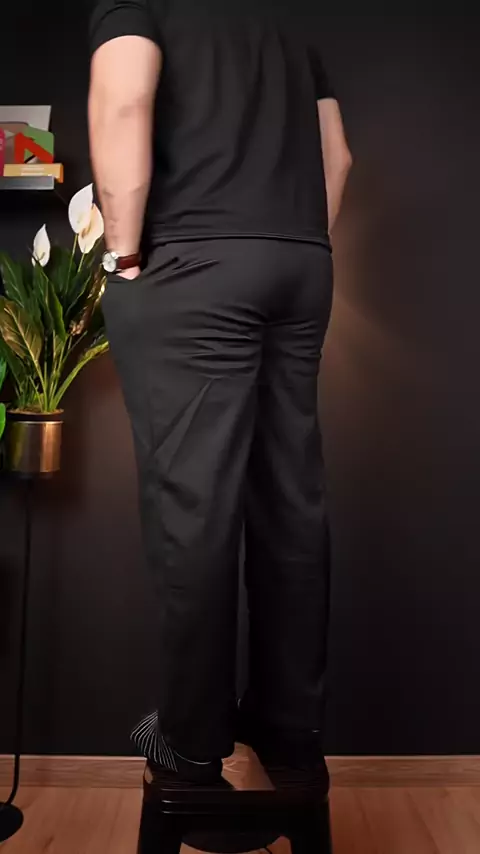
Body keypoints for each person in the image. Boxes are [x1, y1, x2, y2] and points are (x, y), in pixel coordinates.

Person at [89, 0, 352, 790]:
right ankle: (290, 731)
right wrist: (292, 244)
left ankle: (191, 738)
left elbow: (124, 98)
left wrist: (124, 255)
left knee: (193, 508)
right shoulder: (284, 19)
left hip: (195, 262)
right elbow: (338, 157)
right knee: (290, 501)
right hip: (302, 262)